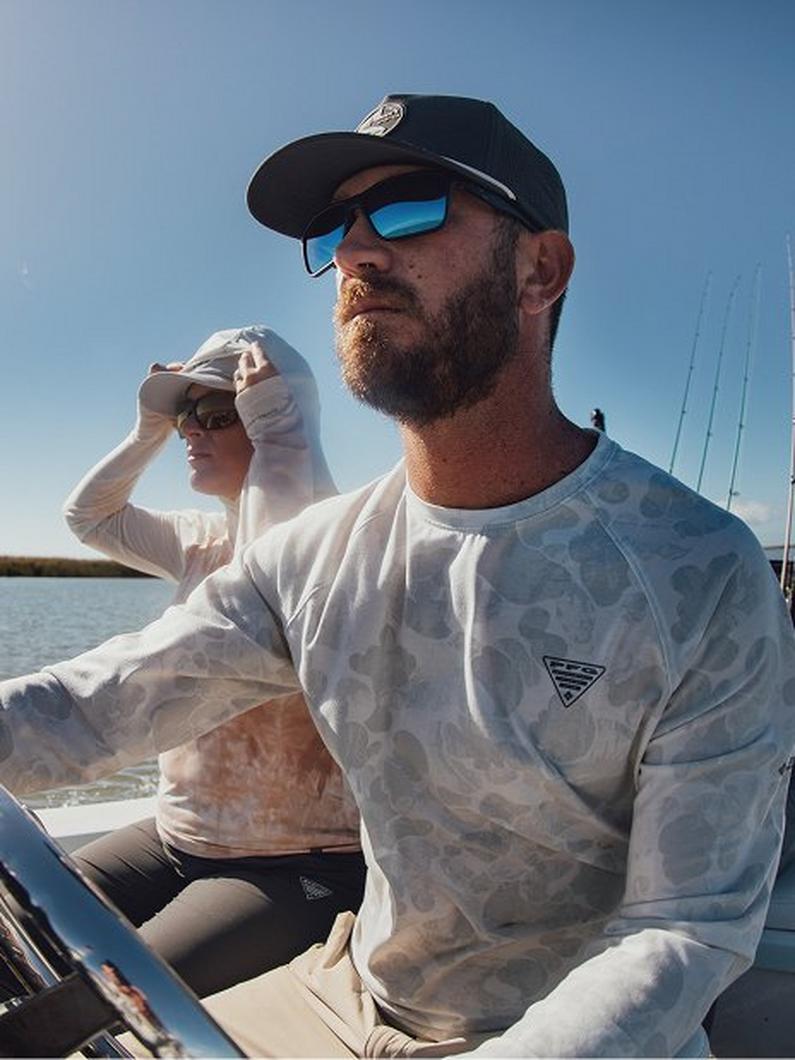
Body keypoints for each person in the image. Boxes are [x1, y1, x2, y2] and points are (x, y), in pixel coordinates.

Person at [1, 94, 794, 1057]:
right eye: (338, 228)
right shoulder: (312, 557)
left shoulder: (696, 569)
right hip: (346, 990)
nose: (356, 252)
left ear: (539, 270)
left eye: (412, 208)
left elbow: (685, 925)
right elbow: (94, 706)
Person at [61, 324, 365, 998]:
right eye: (185, 418)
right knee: (17, 934)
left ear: (277, 416)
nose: (191, 433)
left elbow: (273, 594)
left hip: (293, 864)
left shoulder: (347, 538)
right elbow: (90, 518)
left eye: (220, 414)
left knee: (104, 1001)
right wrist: (147, 430)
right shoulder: (201, 536)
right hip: (177, 834)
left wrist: (285, 438)